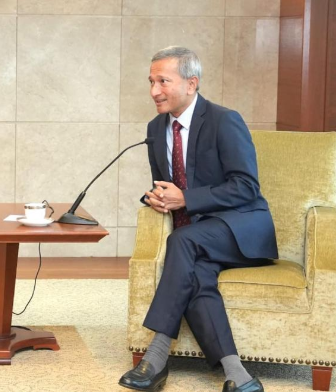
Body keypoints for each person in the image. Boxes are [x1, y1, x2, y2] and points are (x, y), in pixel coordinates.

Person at [118, 47, 277, 392]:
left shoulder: (224, 120)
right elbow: (165, 183)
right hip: (197, 237)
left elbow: (246, 187)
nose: (154, 91)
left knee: (183, 241)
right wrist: (156, 197)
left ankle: (156, 356)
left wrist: (186, 198)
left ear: (191, 84)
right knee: (198, 276)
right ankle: (240, 376)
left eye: (163, 81)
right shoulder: (155, 128)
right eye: (151, 81)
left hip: (241, 228)